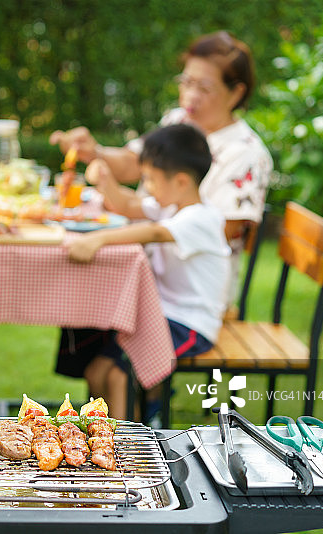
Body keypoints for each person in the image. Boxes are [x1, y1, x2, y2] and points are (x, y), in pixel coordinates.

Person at [51, 31, 272, 314]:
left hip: (189, 295)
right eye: (186, 82)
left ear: (237, 92)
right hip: (146, 265)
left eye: (204, 88)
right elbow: (134, 163)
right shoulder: (177, 120)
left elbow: (222, 230)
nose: (190, 96)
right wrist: (95, 153)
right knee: (81, 294)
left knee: (90, 299)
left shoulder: (246, 153)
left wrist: (141, 221)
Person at [57, 124, 231, 421]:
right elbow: (128, 204)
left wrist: (97, 239)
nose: (146, 185)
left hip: (191, 323)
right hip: (160, 314)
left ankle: (134, 446)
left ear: (180, 182)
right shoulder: (171, 205)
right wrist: (106, 178)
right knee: (96, 371)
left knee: (118, 375)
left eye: (150, 178)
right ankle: (110, 435)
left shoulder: (201, 218)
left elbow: (153, 232)